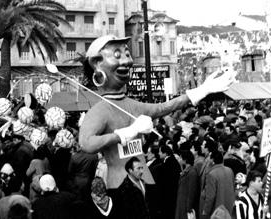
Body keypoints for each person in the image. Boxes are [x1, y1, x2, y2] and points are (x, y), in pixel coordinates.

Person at [78, 35, 235, 193]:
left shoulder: (133, 105)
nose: (126, 61)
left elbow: (164, 107)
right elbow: (86, 143)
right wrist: (127, 133)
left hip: (144, 183)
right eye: (117, 55)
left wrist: (201, 91)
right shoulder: (99, 111)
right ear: (97, 63)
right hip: (121, 188)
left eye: (127, 54)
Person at [199, 150, 236, 219]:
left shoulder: (211, 174)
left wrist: (205, 211)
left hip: (217, 211)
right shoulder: (229, 170)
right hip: (229, 208)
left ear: (213, 160)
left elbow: (210, 196)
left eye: (210, 158)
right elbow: (233, 188)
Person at [175, 150, 199, 219]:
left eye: (180, 158)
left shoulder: (192, 172)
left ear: (185, 160)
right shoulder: (186, 170)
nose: (179, 159)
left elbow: (192, 190)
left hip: (185, 204)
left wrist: (189, 207)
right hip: (181, 202)